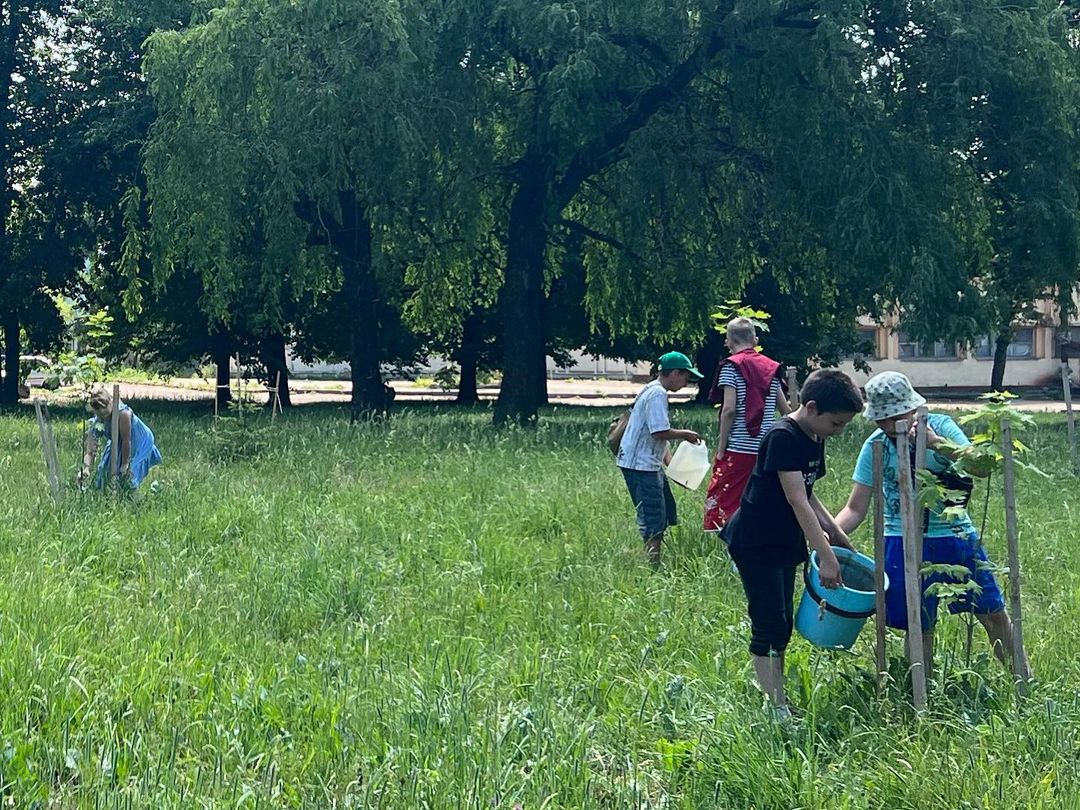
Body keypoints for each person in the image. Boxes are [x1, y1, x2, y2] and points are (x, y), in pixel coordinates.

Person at [834, 371, 1031, 680]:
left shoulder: (941, 426)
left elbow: (980, 466)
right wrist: (827, 536)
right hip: (900, 540)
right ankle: (920, 691)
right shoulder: (875, 446)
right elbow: (855, 508)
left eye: (899, 415)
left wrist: (937, 445)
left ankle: (1023, 680)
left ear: (914, 408)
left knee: (992, 611)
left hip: (954, 535)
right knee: (918, 622)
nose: (892, 425)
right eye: (883, 420)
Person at [721, 369, 864, 718]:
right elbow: (796, 499)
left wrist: (839, 538)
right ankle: (775, 708)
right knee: (769, 621)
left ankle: (777, 697)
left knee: (782, 621)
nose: (839, 430)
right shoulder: (782, 436)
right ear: (812, 407)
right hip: (757, 542)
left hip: (784, 541)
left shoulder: (814, 436)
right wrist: (826, 557)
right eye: (837, 423)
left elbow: (811, 495)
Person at [703, 317, 792, 532]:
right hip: (765, 449)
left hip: (738, 447)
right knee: (758, 498)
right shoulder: (770, 369)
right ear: (755, 339)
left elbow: (729, 410)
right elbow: (786, 410)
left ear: (728, 341)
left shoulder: (731, 367)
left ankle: (732, 550)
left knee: (727, 498)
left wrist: (722, 448)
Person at [617, 351, 704, 567]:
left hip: (645, 463)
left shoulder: (650, 390)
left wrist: (672, 465)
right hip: (641, 465)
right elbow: (659, 432)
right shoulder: (657, 394)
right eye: (686, 377)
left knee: (664, 510)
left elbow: (656, 436)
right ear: (674, 373)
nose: (687, 382)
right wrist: (685, 433)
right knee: (653, 515)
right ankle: (653, 565)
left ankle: (654, 559)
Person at [79, 386, 162, 490]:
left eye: (105, 414)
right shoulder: (97, 422)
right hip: (117, 440)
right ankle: (109, 495)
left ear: (111, 403)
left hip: (139, 440)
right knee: (104, 471)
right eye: (100, 415)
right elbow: (91, 450)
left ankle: (131, 499)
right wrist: (87, 468)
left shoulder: (123, 414)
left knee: (129, 474)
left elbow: (126, 441)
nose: (104, 418)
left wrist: (125, 464)